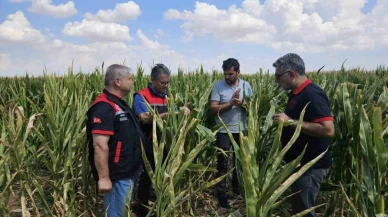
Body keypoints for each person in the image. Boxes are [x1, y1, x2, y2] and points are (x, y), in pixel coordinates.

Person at [272, 53, 335, 217]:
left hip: (309, 167)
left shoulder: (311, 94)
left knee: (304, 212)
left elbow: (328, 130)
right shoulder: (297, 93)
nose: (276, 81)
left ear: (291, 74)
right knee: (300, 209)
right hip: (300, 165)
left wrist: (290, 122)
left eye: (278, 76)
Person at [86, 64, 144, 217]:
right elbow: (99, 145)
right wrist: (104, 178)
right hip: (118, 174)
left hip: (128, 171)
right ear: (118, 81)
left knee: (122, 211)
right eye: (130, 78)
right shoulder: (104, 107)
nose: (132, 82)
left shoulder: (119, 103)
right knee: (115, 213)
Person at [133, 63, 190, 216]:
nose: (165, 86)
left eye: (167, 82)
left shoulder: (167, 96)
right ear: (152, 79)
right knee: (146, 177)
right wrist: (173, 113)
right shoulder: (141, 96)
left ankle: (161, 208)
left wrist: (183, 112)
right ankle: (142, 210)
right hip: (148, 144)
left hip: (166, 145)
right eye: (162, 82)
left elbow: (175, 116)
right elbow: (144, 118)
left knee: (165, 176)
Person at [208, 58, 253, 209]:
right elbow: (212, 110)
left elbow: (254, 109)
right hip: (223, 131)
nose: (227, 77)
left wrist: (243, 104)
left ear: (238, 72)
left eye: (230, 74)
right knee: (223, 164)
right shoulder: (218, 86)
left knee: (240, 163)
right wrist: (230, 103)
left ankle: (237, 191)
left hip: (242, 131)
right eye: (225, 74)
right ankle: (222, 197)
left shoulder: (246, 86)